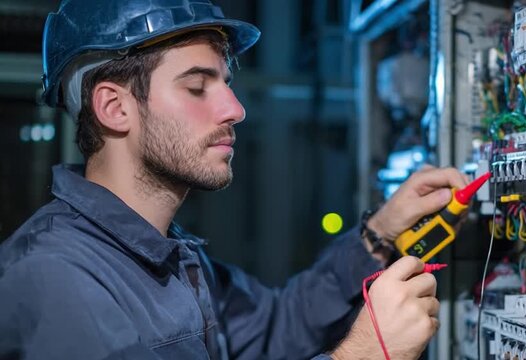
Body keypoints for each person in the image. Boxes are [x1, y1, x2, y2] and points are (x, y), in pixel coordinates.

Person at [0, 1, 469, 359]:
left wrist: (378, 234)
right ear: (115, 108)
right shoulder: (52, 280)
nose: (235, 110)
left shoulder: (173, 258)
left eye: (226, 83)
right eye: (198, 87)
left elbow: (280, 325)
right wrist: (363, 353)